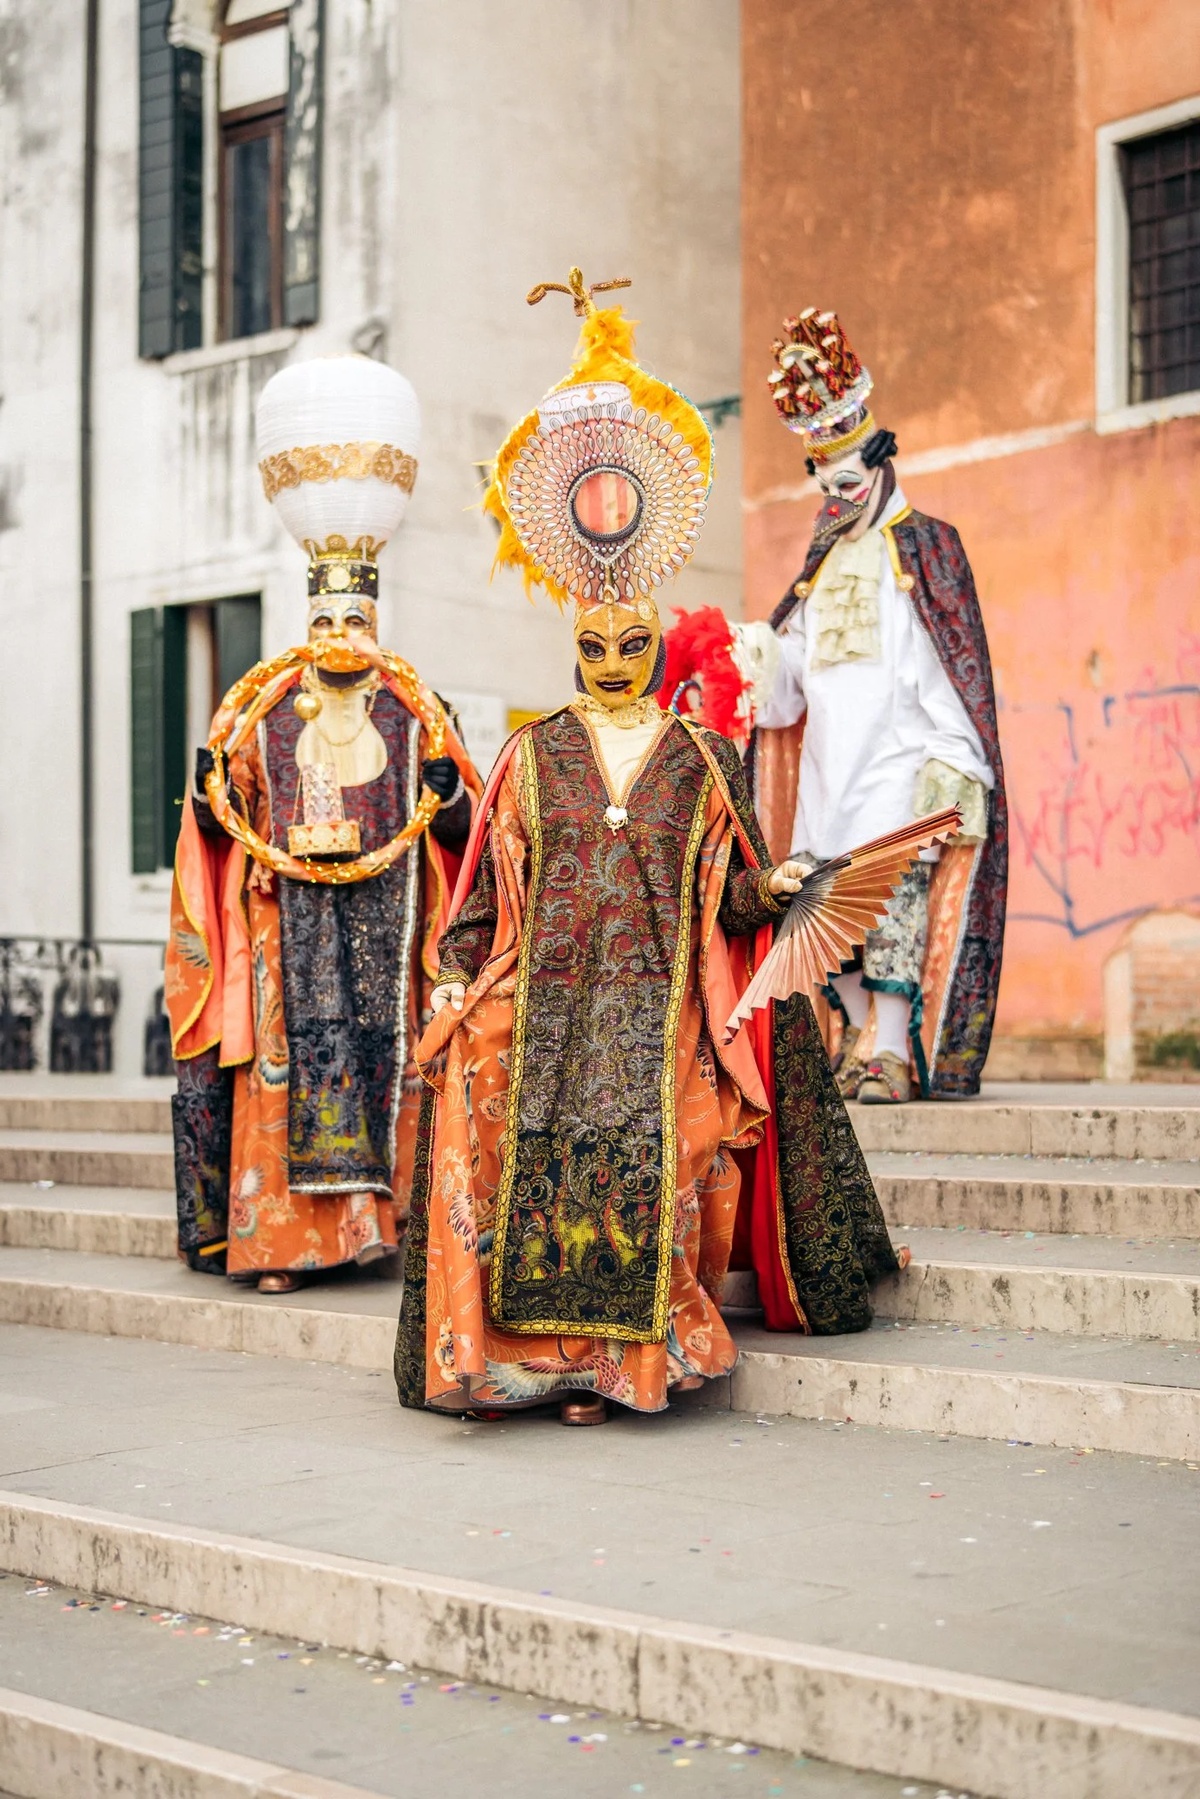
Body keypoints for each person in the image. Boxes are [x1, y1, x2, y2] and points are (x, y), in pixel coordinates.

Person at [394, 272, 904, 1425]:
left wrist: (766, 884)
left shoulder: (702, 753)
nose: (615, 654)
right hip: (548, 1000)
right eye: (596, 641)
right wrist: (455, 964)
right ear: (575, 640)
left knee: (666, 1139)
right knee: (474, 1073)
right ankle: (525, 1358)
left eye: (634, 639)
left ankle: (622, 1365)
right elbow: (491, 881)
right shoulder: (530, 755)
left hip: (664, 1006)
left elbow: (730, 891)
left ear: (654, 638)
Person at [166, 356, 480, 1292]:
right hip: (287, 928)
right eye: (327, 613)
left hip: (395, 920)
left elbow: (473, 828)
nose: (342, 629)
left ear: (376, 617)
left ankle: (387, 1231)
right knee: (293, 1068)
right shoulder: (258, 713)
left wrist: (449, 794)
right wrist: (210, 795)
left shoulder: (419, 707)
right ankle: (285, 1246)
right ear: (308, 616)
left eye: (358, 613)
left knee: (392, 1057)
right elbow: (225, 832)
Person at [744, 309, 1007, 1103]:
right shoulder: (818, 565)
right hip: (829, 777)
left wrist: (955, 757)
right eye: (825, 483)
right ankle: (860, 1038)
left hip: (900, 768)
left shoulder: (927, 547)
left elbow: (951, 667)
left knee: (890, 912)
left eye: (849, 479)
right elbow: (789, 695)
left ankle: (890, 1051)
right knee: (826, 926)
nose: (837, 495)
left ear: (881, 461)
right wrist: (763, 656)